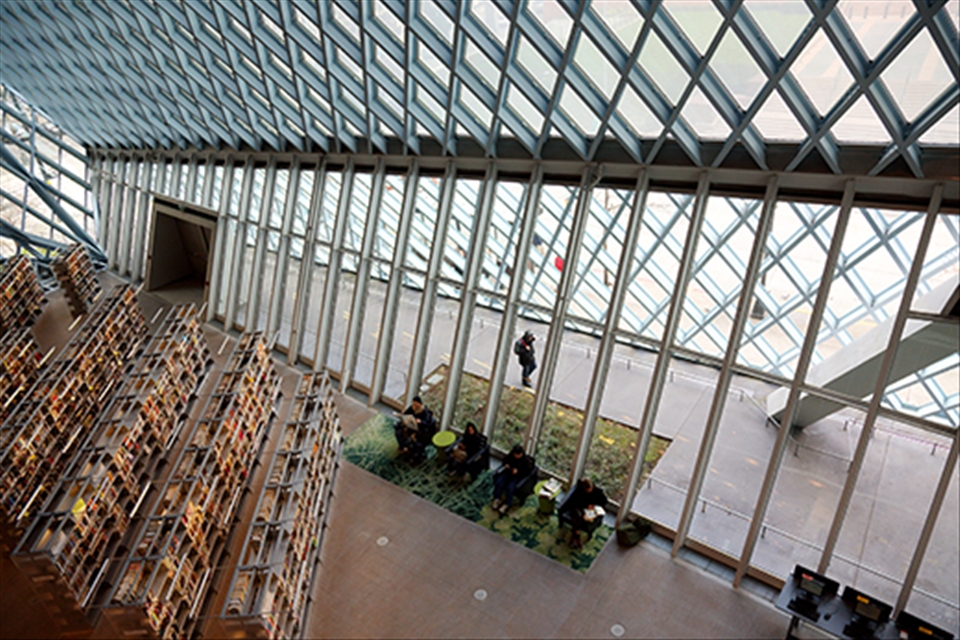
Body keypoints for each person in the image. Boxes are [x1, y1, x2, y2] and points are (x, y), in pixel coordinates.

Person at [559, 478, 608, 549]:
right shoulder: (580, 491)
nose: (589, 491)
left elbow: (604, 501)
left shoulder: (598, 492)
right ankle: (577, 536)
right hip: (581, 509)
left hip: (593, 510)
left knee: (578, 519)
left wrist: (594, 505)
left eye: (590, 489)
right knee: (579, 516)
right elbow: (576, 502)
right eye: (587, 490)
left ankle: (575, 536)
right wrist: (586, 506)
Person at [492, 444, 534, 515]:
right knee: (499, 482)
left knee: (510, 488)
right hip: (508, 473)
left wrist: (518, 471)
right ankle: (497, 499)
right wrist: (506, 465)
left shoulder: (525, 460)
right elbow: (505, 461)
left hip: (517, 477)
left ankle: (507, 504)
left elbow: (527, 471)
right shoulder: (511, 456)